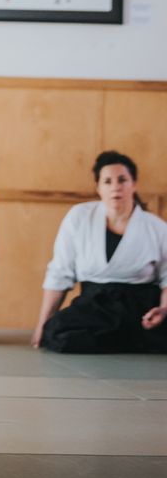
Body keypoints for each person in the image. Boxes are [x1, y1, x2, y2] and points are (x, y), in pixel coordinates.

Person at [32, 150, 167, 354]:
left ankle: (126, 338)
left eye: (122, 180)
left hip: (141, 309)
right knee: (56, 332)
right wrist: (42, 324)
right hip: (95, 307)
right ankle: (131, 341)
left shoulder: (156, 227)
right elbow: (60, 272)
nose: (116, 187)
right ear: (98, 187)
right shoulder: (79, 217)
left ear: (134, 184)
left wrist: (164, 309)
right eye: (107, 181)